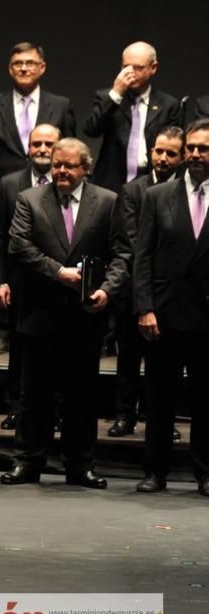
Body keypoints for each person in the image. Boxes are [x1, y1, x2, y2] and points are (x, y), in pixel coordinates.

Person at [1, 138, 129, 488]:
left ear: (84, 168)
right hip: (40, 313)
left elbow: (122, 254)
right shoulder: (30, 199)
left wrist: (107, 289)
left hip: (85, 316)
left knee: (82, 396)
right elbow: (18, 245)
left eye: (68, 166)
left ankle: (80, 465)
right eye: (57, 164)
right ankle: (27, 463)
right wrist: (59, 272)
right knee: (33, 397)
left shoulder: (106, 201)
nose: (60, 171)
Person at [133, 118, 209, 496]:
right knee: (159, 399)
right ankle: (155, 471)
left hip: (207, 314)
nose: (195, 154)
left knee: (206, 400)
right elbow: (142, 256)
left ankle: (205, 472)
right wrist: (144, 307)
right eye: (192, 147)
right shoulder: (158, 195)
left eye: (203, 148)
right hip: (163, 313)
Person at [108, 126, 185, 438]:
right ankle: (125, 415)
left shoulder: (186, 191)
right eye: (158, 151)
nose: (162, 158)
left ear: (181, 158)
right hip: (134, 284)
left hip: (170, 291)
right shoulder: (134, 189)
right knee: (128, 356)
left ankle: (161, 419)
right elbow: (129, 240)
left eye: (170, 153)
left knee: (166, 364)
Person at [0, 123, 61, 430]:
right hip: (20, 280)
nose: (42, 149)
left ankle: (55, 411)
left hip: (59, 279)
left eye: (48, 144)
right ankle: (16, 407)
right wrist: (1, 280)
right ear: (27, 149)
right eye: (37, 144)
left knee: (57, 349)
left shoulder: (68, 180)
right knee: (19, 349)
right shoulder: (9, 183)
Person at [0, 42, 76, 222]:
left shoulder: (60, 105)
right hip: (1, 196)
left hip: (50, 193)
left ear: (42, 67)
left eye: (30, 63)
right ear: (10, 69)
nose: (23, 68)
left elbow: (70, 155)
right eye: (17, 63)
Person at [82, 41, 181, 193]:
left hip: (151, 184)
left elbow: (174, 148)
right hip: (111, 183)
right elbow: (91, 130)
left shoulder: (169, 104)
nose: (130, 73)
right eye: (126, 67)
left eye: (138, 68)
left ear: (153, 68)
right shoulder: (107, 97)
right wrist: (116, 94)